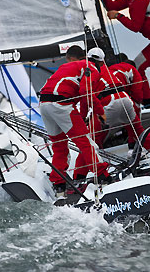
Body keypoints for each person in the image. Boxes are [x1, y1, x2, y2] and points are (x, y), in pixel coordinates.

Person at [39, 45, 111, 194]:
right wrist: (100, 112)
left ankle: (58, 184)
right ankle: (103, 176)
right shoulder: (92, 68)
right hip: (61, 105)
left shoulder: (70, 65)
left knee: (59, 146)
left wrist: (82, 117)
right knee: (85, 141)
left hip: (44, 105)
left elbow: (78, 94)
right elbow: (86, 92)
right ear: (102, 63)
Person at [87, 48, 150, 161]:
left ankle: (91, 170)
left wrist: (85, 115)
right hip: (125, 99)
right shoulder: (126, 69)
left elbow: (87, 96)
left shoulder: (92, 73)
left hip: (108, 103)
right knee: (138, 131)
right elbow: (138, 87)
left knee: (92, 140)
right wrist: (138, 102)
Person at [108, 56, 146, 149]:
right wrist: (138, 102)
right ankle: (134, 147)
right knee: (135, 125)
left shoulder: (109, 69)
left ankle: (97, 153)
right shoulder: (132, 71)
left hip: (106, 101)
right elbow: (137, 93)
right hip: (121, 99)